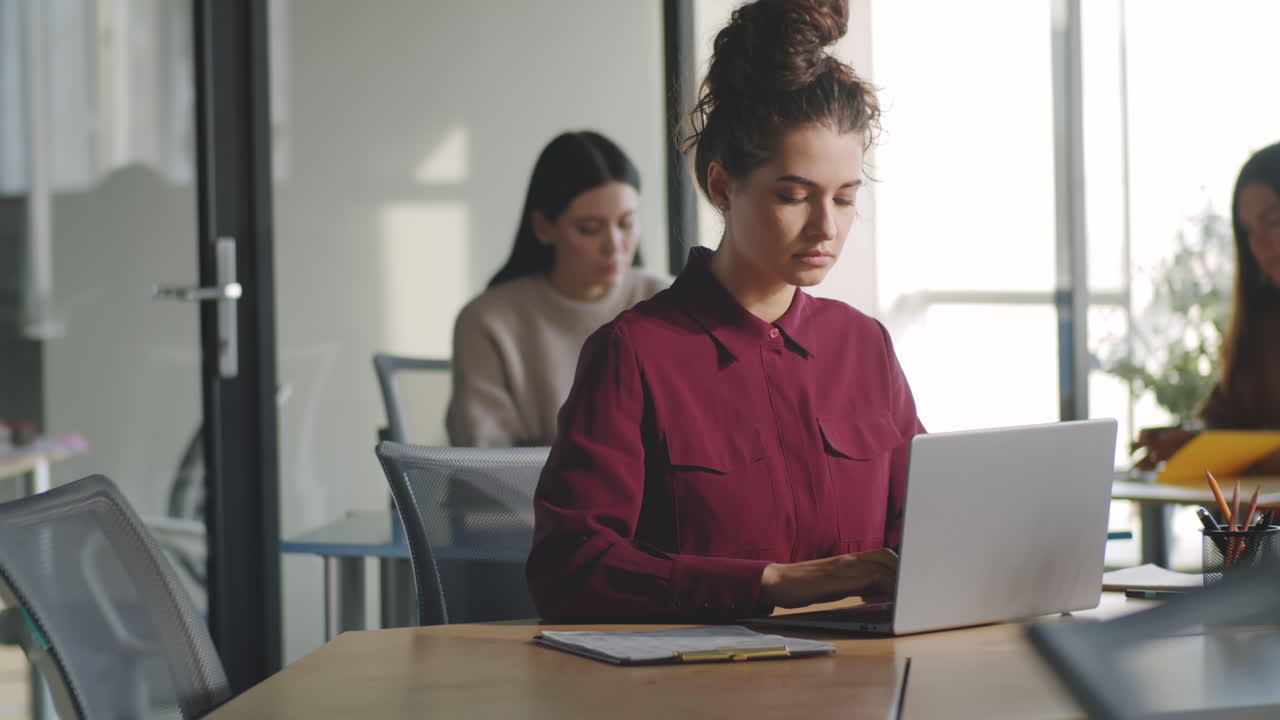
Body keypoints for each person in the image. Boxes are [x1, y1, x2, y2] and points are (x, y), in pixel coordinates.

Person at [525, 0, 924, 622]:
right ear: (721, 186)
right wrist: (770, 583)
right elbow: (570, 568)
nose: (826, 226)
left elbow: (924, 531)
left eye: (844, 199)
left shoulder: (863, 347)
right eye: (794, 196)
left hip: (863, 684)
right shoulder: (634, 354)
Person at [446, 131, 668, 448]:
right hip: (529, 497)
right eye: (589, 229)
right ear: (543, 227)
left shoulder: (668, 303)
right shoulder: (487, 321)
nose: (614, 246)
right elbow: (486, 462)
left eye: (626, 224)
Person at [1132, 142, 1280, 474]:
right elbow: (1224, 421)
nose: (1259, 244)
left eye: (1272, 220)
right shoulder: (1260, 325)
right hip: (1257, 523)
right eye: (1248, 232)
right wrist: (1189, 441)